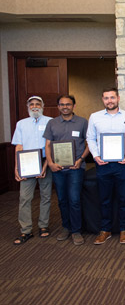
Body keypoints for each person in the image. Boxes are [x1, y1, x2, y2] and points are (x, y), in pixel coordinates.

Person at [86, 87, 125, 245]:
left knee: (123, 198)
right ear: (103, 100)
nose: (110, 101)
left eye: (112, 97)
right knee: (105, 199)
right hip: (103, 165)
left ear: (118, 98)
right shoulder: (95, 117)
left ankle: (124, 230)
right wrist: (95, 156)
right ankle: (105, 230)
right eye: (106, 98)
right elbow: (91, 138)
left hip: (122, 164)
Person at [44, 95, 89, 246]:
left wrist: (80, 159)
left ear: (73, 106)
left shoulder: (83, 122)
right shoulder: (52, 123)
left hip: (76, 168)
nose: (65, 107)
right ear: (58, 107)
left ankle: (76, 231)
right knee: (62, 200)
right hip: (58, 169)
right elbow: (48, 145)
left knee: (74, 199)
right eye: (62, 104)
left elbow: (89, 144)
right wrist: (50, 163)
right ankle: (66, 227)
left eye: (68, 104)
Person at [12, 96, 53, 245]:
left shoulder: (50, 121)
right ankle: (26, 230)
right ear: (27, 106)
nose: (35, 106)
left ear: (43, 106)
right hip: (26, 162)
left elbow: (51, 146)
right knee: (24, 197)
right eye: (32, 104)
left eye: (38, 104)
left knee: (46, 196)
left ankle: (43, 226)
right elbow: (19, 146)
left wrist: (45, 165)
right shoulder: (21, 124)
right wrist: (17, 167)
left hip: (44, 162)